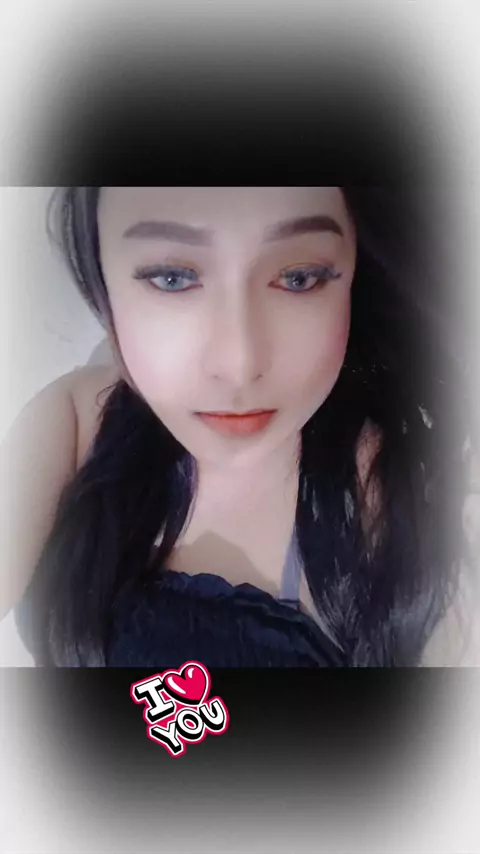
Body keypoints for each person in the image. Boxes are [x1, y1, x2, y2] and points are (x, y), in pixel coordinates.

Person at [1, 185, 478, 667]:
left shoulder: (402, 494)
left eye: (299, 278)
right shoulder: (75, 423)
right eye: (171, 278)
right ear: (102, 279)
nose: (239, 366)